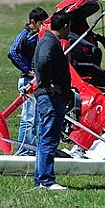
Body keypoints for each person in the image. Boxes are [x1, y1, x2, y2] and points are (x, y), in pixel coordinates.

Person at [32, 11, 72, 190]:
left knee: (44, 139)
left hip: (48, 97)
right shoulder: (49, 42)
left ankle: (41, 179)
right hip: (50, 98)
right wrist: (48, 85)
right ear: (64, 26)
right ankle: (47, 180)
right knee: (49, 139)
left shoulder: (47, 40)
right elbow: (43, 61)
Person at [7, 6, 49, 155]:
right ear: (33, 21)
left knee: (37, 119)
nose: (44, 26)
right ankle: (23, 150)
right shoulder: (24, 35)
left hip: (36, 82)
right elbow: (12, 52)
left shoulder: (38, 35)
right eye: (41, 23)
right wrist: (27, 69)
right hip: (27, 82)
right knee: (28, 118)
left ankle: (32, 150)